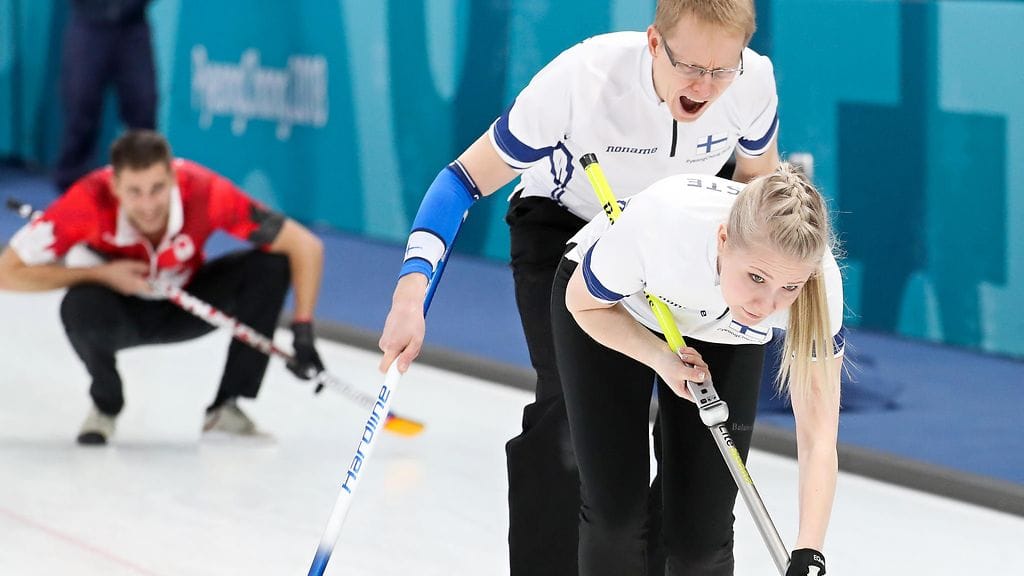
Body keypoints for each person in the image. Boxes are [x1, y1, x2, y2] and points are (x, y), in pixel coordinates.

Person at [377, 1, 780, 573]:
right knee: (574, 416)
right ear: (653, 43)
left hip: (686, 238)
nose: (705, 87)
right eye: (691, 67)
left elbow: (755, 181)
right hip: (569, 232)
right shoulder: (579, 83)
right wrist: (409, 295)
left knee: (696, 444)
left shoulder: (753, 81)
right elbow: (460, 182)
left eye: (722, 70)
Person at [552, 165, 844, 575]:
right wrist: (659, 357)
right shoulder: (664, 223)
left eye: (788, 289)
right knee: (616, 517)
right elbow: (583, 303)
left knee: (702, 543)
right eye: (756, 277)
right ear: (723, 240)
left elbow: (819, 438)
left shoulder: (818, 285)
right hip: (617, 311)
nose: (765, 305)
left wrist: (809, 552)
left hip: (728, 335)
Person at [0, 130, 327, 445]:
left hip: (184, 303)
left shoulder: (203, 190)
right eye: (134, 192)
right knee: (78, 304)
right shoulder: (86, 201)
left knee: (270, 265)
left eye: (157, 188)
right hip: (118, 311)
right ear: (114, 186)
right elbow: (6, 273)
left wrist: (303, 332)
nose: (148, 205)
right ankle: (106, 403)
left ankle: (227, 405)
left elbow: (306, 246)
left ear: (172, 177)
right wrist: (102, 274)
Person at [55, 0, 158, 192]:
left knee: (144, 109)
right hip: (88, 24)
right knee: (80, 110)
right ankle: (72, 192)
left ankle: (146, 191)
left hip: (133, 26)